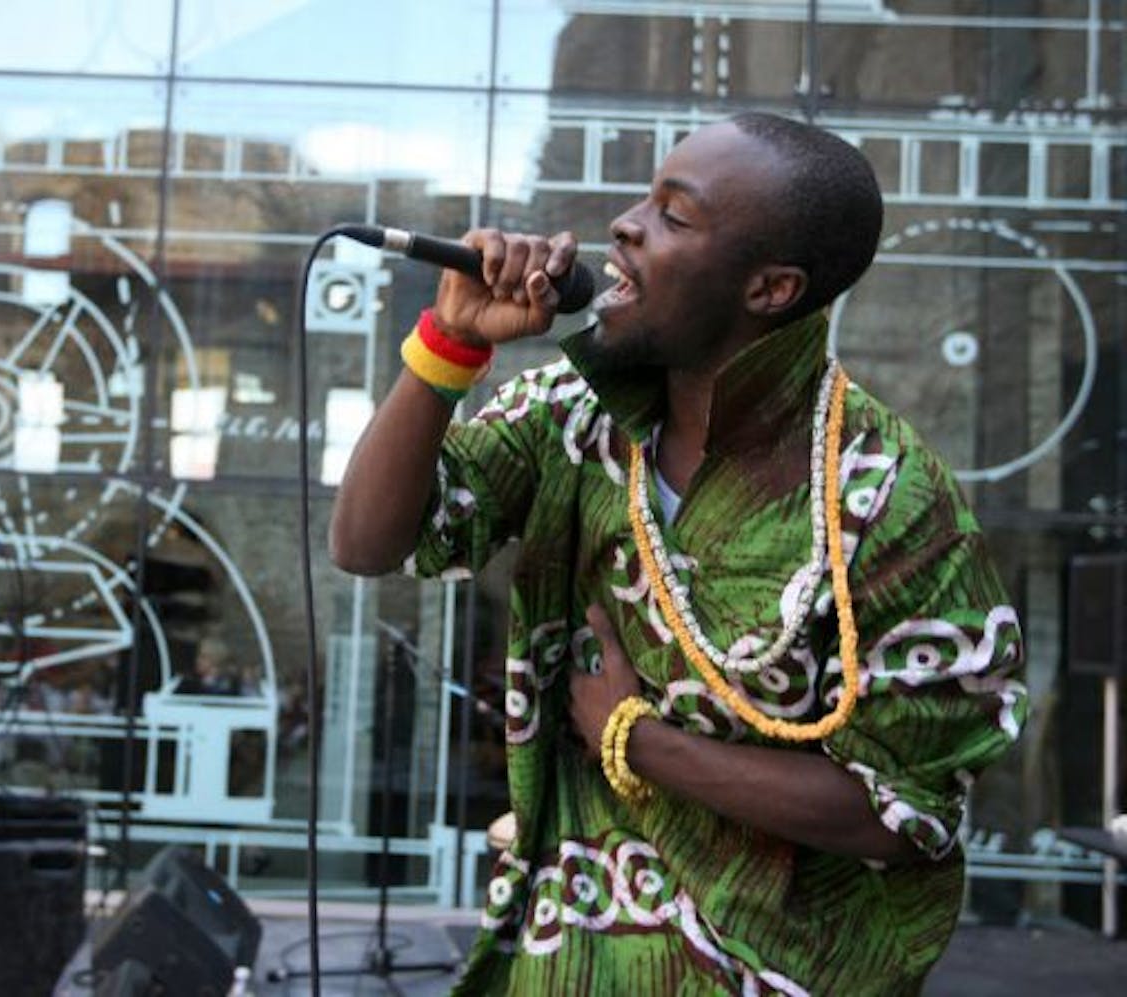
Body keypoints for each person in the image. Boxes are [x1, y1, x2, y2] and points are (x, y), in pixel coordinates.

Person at [329, 113, 1027, 995]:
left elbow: (905, 813)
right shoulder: (569, 414)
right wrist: (449, 344)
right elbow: (365, 541)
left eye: (674, 214)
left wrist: (638, 738)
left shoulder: (887, 493)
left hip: (773, 971)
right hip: (568, 959)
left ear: (770, 289)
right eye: (644, 199)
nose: (623, 224)